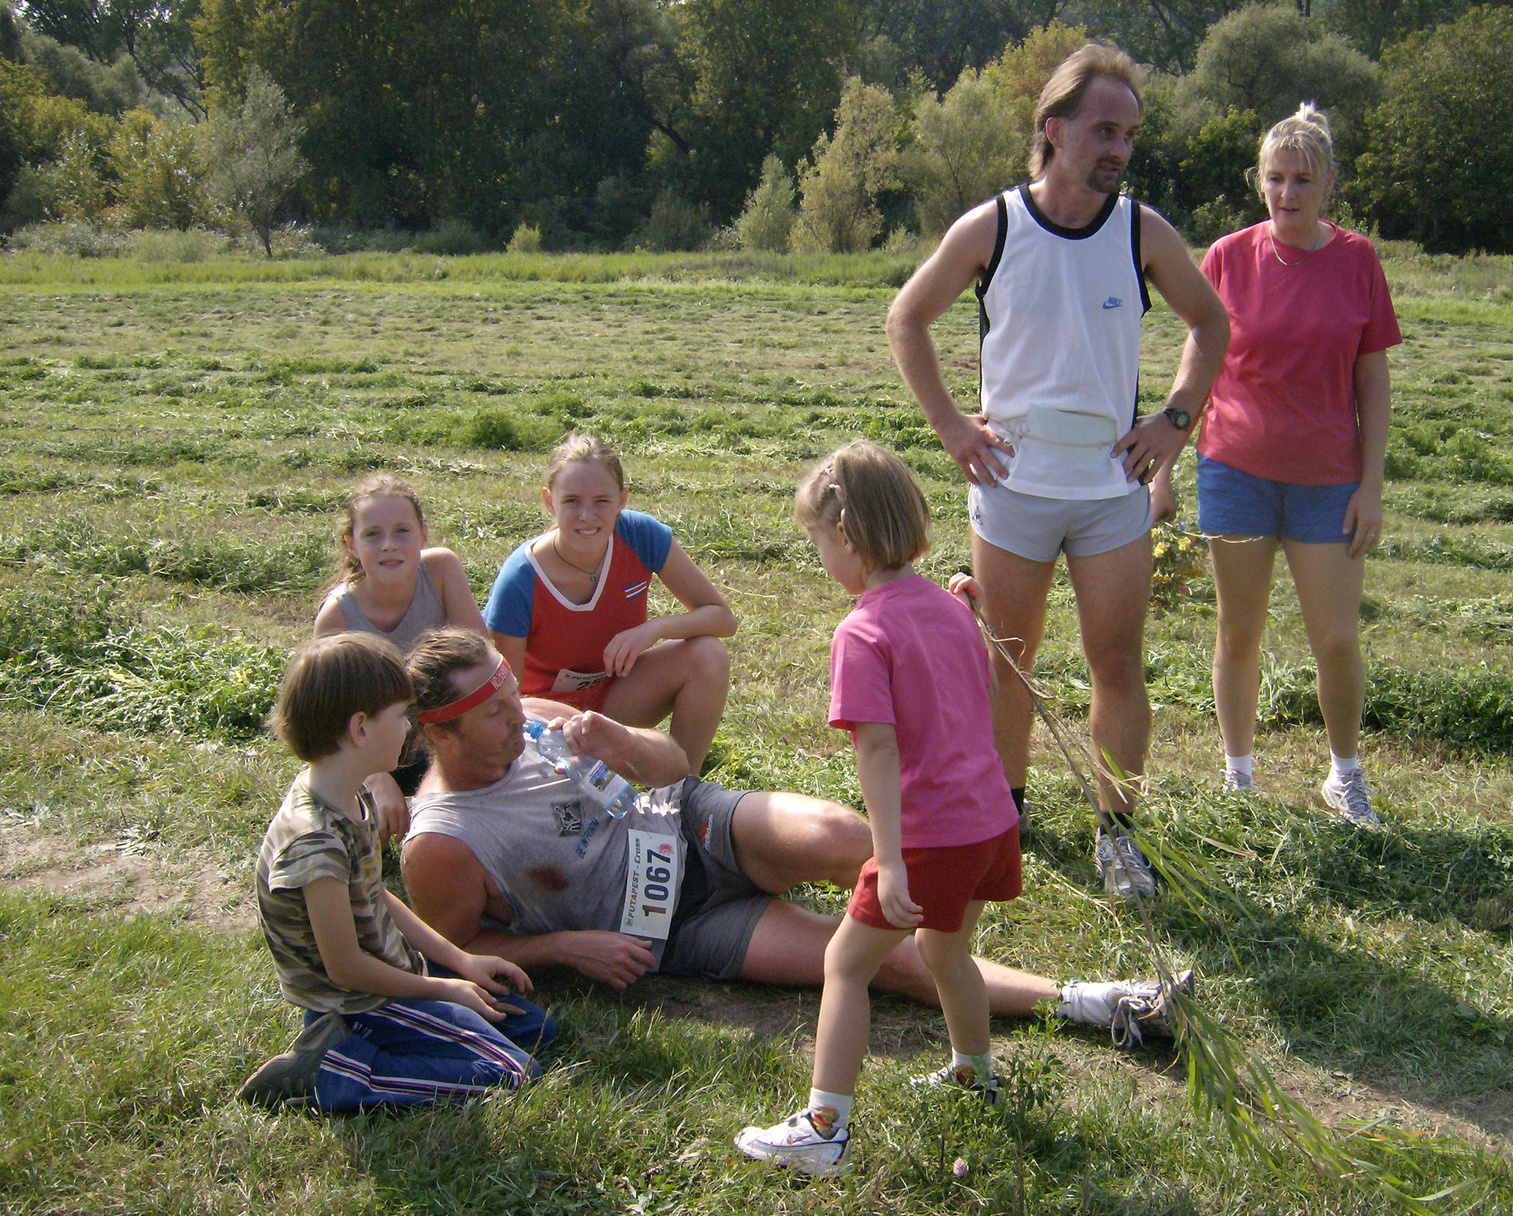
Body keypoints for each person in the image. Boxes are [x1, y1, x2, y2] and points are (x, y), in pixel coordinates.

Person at [397, 629, 1189, 1065]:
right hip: (671, 927)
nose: (519, 720)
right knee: (890, 968)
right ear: (441, 732)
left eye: (513, 697)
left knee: (850, 837)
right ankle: (1102, 1002)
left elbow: (674, 768)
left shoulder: (529, 713)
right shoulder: (442, 842)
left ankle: (950, 918)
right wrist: (571, 948)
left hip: (690, 823)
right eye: (495, 715)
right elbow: (462, 951)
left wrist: (624, 743)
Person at [885, 43, 1230, 899]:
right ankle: (1007, 815)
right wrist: (950, 426)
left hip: (1111, 492)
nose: (1118, 148)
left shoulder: (1142, 230)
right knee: (1010, 661)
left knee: (1117, 664)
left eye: (1130, 135)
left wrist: (1174, 424)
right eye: (1104, 129)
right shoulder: (992, 227)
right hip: (1012, 490)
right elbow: (908, 317)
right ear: (1054, 128)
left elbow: (1211, 324)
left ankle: (1120, 836)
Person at [734, 442, 1022, 1176]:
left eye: (817, 542)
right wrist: (966, 615)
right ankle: (974, 1074)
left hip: (929, 838)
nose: (819, 556)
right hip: (990, 822)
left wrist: (888, 858)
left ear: (850, 542)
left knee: (846, 962)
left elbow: (879, 753)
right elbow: (980, 697)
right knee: (945, 952)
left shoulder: (861, 632)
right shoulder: (952, 609)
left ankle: (825, 1126)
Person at [1182, 104, 1399, 826]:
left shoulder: (1358, 260)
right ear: (1260, 182)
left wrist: (1370, 487)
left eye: (1302, 179)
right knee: (1238, 633)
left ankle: (1345, 775)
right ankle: (1238, 777)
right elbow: (1200, 368)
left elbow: (1372, 379)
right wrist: (1162, 468)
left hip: (1328, 482)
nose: (1287, 194)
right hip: (1235, 470)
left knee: (1336, 637)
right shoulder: (1225, 257)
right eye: (1275, 178)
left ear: (1329, 182)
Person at [238, 632, 554, 1112]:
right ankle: (329, 1072)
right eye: (400, 718)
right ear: (361, 729)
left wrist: (460, 961)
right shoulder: (314, 843)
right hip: (358, 1004)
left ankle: (382, 1045)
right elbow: (345, 968)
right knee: (512, 1071)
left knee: (538, 1031)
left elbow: (375, 896)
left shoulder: (350, 791)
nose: (410, 729)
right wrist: (439, 987)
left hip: (394, 973)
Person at [484, 433, 736, 773]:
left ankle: (682, 792)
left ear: (622, 500)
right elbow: (504, 696)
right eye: (571, 501)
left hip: (616, 695)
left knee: (708, 655)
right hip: (544, 718)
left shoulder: (639, 535)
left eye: (602, 501)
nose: (587, 516)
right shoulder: (521, 577)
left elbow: (722, 619)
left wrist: (655, 629)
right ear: (549, 501)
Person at [313, 474, 487, 827]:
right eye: (372, 534)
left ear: (423, 534)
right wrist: (377, 777)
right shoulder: (337, 616)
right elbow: (329, 723)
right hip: (371, 748)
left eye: (402, 531)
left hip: (443, 728)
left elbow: (480, 656)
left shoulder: (440, 570)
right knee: (362, 823)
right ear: (351, 544)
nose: (389, 544)